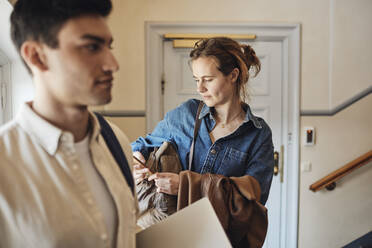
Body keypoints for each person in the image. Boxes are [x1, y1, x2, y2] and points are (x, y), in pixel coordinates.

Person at [0, 0, 137, 247]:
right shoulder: (5, 162)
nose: (112, 64)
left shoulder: (115, 140)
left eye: (109, 46)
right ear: (37, 56)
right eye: (92, 47)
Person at [132, 37, 274, 246]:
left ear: (233, 75)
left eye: (208, 79)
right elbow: (143, 143)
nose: (200, 88)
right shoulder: (185, 114)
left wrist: (185, 185)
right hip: (174, 238)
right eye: (196, 79)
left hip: (224, 241)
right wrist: (137, 159)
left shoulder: (258, 134)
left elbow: (252, 201)